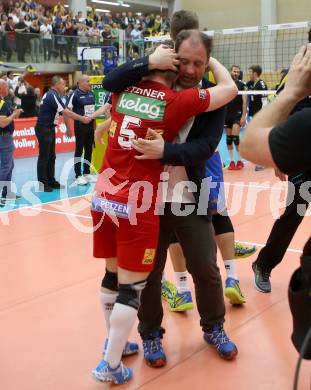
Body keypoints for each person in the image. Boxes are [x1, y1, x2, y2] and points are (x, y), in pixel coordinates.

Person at [91, 31, 237, 385]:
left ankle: (214, 327)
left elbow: (204, 148)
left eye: (198, 63)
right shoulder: (165, 95)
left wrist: (166, 153)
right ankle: (151, 334)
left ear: (205, 64)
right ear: (171, 59)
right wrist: (149, 62)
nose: (188, 69)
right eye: (182, 60)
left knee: (206, 266)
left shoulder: (203, 102)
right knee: (148, 274)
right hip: (145, 201)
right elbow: (112, 80)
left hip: (188, 195)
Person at [240, 43, 311, 359]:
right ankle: (263, 265)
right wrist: (280, 161)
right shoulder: (295, 80)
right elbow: (278, 117)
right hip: (301, 157)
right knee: (293, 215)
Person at [35, 75, 91, 192]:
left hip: (49, 128)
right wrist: (82, 118)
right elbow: (66, 112)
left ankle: (50, 180)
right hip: (44, 128)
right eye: (63, 84)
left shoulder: (54, 95)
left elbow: (64, 112)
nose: (65, 86)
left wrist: (68, 126)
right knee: (44, 157)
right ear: (57, 85)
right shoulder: (52, 95)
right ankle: (42, 183)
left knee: (51, 156)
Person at [0, 79, 23, 205]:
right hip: (4, 138)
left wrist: (14, 112)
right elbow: (3, 123)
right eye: (6, 86)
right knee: (5, 167)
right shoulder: (2, 103)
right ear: (1, 88)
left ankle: (6, 193)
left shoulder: (4, 103)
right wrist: (14, 114)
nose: (8, 88)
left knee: (9, 166)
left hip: (4, 138)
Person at [246, 65, 268, 171]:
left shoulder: (261, 84)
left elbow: (265, 102)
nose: (248, 74)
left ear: (255, 73)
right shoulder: (251, 84)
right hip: (253, 115)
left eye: (250, 72)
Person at [225, 65, 247, 170]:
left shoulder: (242, 85)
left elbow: (244, 102)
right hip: (226, 115)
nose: (236, 73)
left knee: (235, 138)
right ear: (230, 72)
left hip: (237, 114)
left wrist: (243, 116)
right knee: (228, 140)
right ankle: (232, 161)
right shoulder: (225, 84)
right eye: (234, 71)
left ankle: (239, 161)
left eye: (238, 72)